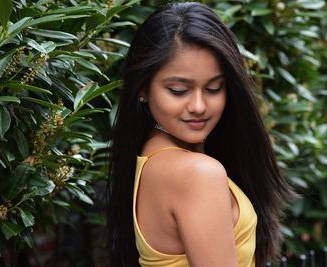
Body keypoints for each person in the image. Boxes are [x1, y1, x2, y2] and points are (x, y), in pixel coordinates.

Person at [107, 2, 295, 267]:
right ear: (143, 89)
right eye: (178, 90)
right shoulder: (197, 174)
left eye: (214, 88)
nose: (198, 106)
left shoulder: (149, 157)